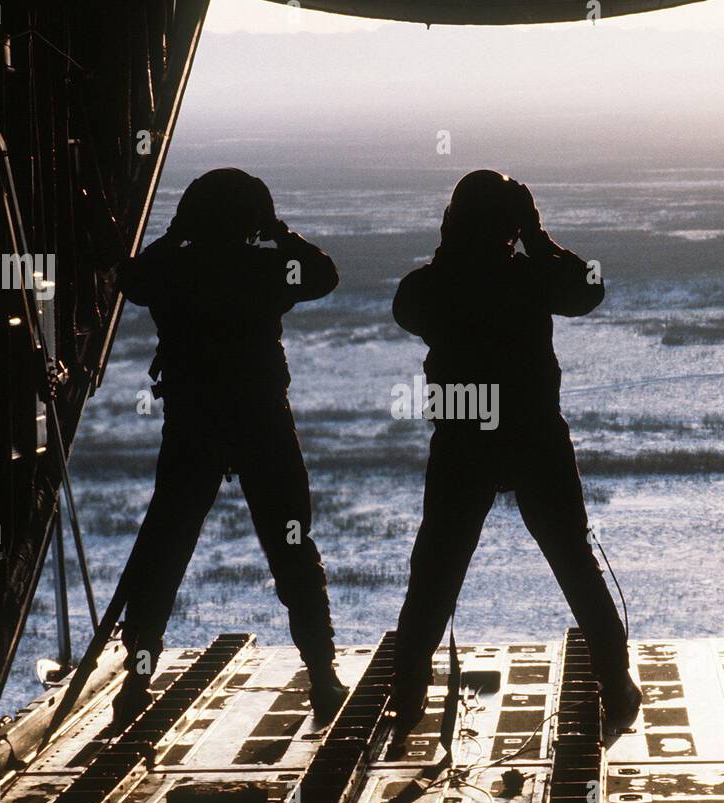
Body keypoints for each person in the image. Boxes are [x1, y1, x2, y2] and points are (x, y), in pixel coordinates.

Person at [388, 169, 641, 737]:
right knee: (575, 564)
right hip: (534, 438)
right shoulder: (531, 280)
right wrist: (540, 237)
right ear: (510, 227)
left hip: (462, 439)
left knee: (434, 571)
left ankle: (406, 695)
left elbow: (410, 308)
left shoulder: (432, 287)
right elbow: (590, 287)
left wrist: (454, 252)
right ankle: (616, 685)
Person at [108, 168, 347, 729]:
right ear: (250, 221)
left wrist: (175, 234)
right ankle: (323, 676)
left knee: (165, 551)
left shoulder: (173, 271)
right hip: (262, 423)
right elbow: (323, 275)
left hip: (193, 427)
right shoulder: (264, 269)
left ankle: (136, 682)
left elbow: (134, 279)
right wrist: (278, 231)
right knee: (292, 548)